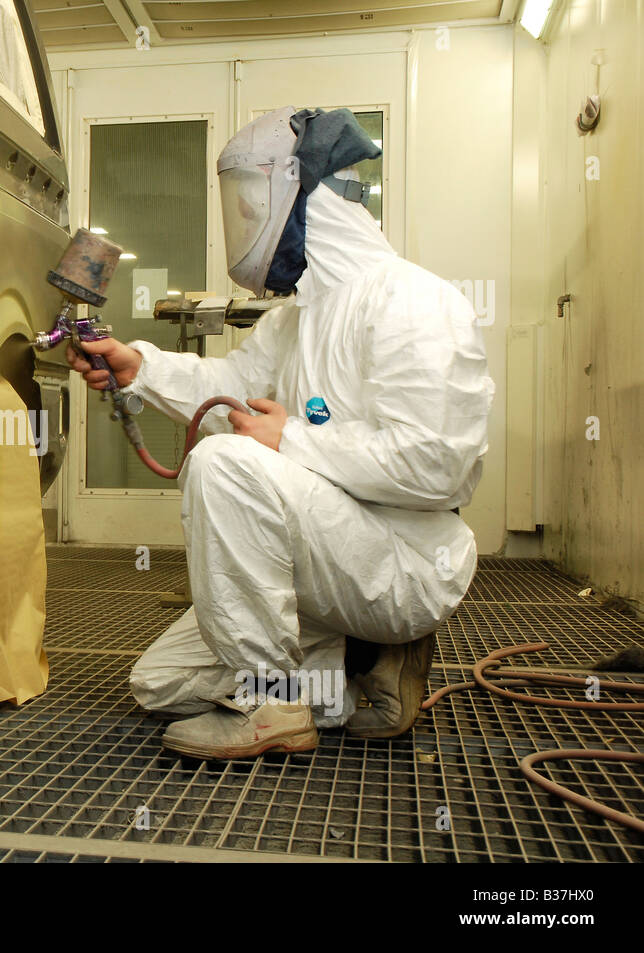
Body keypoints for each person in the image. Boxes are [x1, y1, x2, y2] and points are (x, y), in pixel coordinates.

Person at [66, 107, 494, 759]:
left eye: (247, 204)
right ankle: (348, 668)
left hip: (402, 560)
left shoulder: (413, 302)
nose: (241, 223)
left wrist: (290, 439)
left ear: (298, 192)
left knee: (224, 462)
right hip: (322, 562)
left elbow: (438, 467)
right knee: (162, 685)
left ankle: (275, 702)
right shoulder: (292, 322)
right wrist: (141, 368)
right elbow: (230, 392)